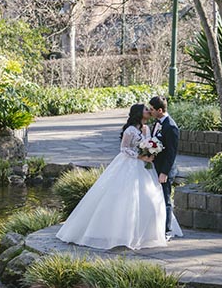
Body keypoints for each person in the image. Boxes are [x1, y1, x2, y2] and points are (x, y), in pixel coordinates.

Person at [56, 103, 179, 250]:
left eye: (150, 109)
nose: (149, 111)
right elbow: (124, 149)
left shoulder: (147, 128)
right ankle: (120, 232)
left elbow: (152, 144)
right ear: (139, 113)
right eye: (146, 110)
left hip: (146, 168)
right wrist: (141, 157)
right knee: (124, 198)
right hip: (130, 164)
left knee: (150, 197)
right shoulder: (130, 130)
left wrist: (150, 153)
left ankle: (149, 232)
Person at [149, 95, 179, 237]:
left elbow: (171, 153)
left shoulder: (170, 126)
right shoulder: (158, 122)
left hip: (165, 170)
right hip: (156, 166)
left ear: (160, 110)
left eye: (152, 109)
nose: (150, 112)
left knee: (166, 199)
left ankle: (167, 230)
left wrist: (164, 172)